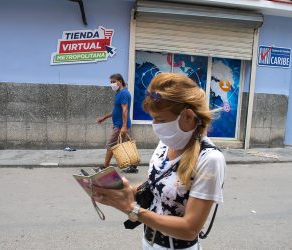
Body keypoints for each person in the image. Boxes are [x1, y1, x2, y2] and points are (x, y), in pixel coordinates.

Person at [92, 73, 226, 249]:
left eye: (161, 119)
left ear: (188, 116)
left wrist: (131, 210)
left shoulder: (210, 159)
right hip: (148, 241)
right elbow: (160, 183)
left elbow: (190, 228)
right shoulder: (166, 142)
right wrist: (126, 191)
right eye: (153, 118)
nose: (155, 125)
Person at [96, 73, 138, 174]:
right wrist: (104, 118)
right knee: (128, 145)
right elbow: (116, 110)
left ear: (120, 81)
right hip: (120, 124)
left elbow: (125, 110)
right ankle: (133, 166)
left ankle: (104, 167)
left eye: (114, 81)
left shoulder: (123, 93)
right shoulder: (119, 93)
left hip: (120, 125)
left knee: (110, 145)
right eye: (111, 82)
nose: (112, 84)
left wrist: (123, 127)